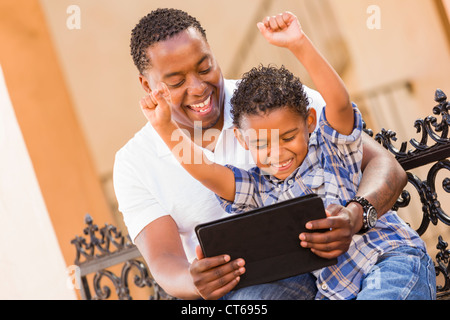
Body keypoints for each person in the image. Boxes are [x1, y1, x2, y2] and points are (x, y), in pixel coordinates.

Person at [113, 8, 434, 299]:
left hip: (381, 257)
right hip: (312, 285)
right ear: (147, 85)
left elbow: (348, 119)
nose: (197, 88)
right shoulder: (257, 185)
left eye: (205, 67)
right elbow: (206, 175)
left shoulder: (275, 101)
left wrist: (354, 216)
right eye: (177, 80)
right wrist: (167, 131)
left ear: (309, 123)